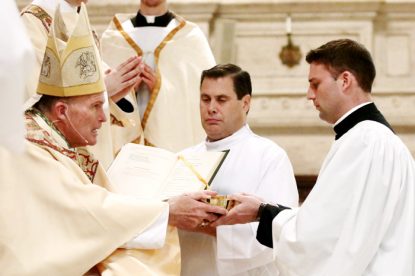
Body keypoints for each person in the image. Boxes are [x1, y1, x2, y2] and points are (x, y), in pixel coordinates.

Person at [15, 5, 227, 275]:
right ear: (60, 111)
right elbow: (90, 218)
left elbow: (97, 213)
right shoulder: (38, 148)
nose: (103, 119)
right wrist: (166, 212)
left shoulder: (80, 19)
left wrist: (142, 90)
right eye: (96, 107)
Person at [212, 39, 415, 276]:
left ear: (345, 81)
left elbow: (323, 241)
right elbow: (337, 223)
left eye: (315, 84)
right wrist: (265, 210)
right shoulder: (376, 139)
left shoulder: (365, 141)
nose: (309, 95)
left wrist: (262, 212)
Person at [179, 64, 299, 275]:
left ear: (245, 103)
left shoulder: (269, 156)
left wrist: (202, 224)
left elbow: (279, 234)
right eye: (205, 99)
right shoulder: (183, 158)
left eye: (221, 100)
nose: (211, 108)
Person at [21, 0, 144, 168]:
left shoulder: (78, 14)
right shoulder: (32, 23)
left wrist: (118, 91)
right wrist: (104, 90)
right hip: (62, 163)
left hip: (95, 153)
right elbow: (39, 102)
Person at [100, 0, 216, 153]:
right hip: (123, 146)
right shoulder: (113, 37)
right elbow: (96, 93)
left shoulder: (190, 37)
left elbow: (199, 98)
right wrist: (125, 90)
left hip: (169, 142)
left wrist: (160, 89)